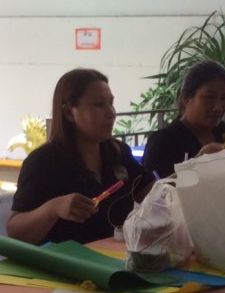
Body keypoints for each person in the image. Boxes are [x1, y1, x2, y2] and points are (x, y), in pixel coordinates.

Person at [8, 68, 151, 245]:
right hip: (66, 260)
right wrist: (53, 209)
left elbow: (150, 191)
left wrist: (176, 183)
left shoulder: (118, 152)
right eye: (99, 104)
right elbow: (15, 232)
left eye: (111, 103)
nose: (111, 113)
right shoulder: (42, 162)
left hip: (119, 255)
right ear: (69, 113)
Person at [141, 58, 225, 178]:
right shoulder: (163, 143)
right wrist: (197, 163)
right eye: (209, 97)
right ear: (186, 98)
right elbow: (154, 189)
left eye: (224, 98)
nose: (218, 107)